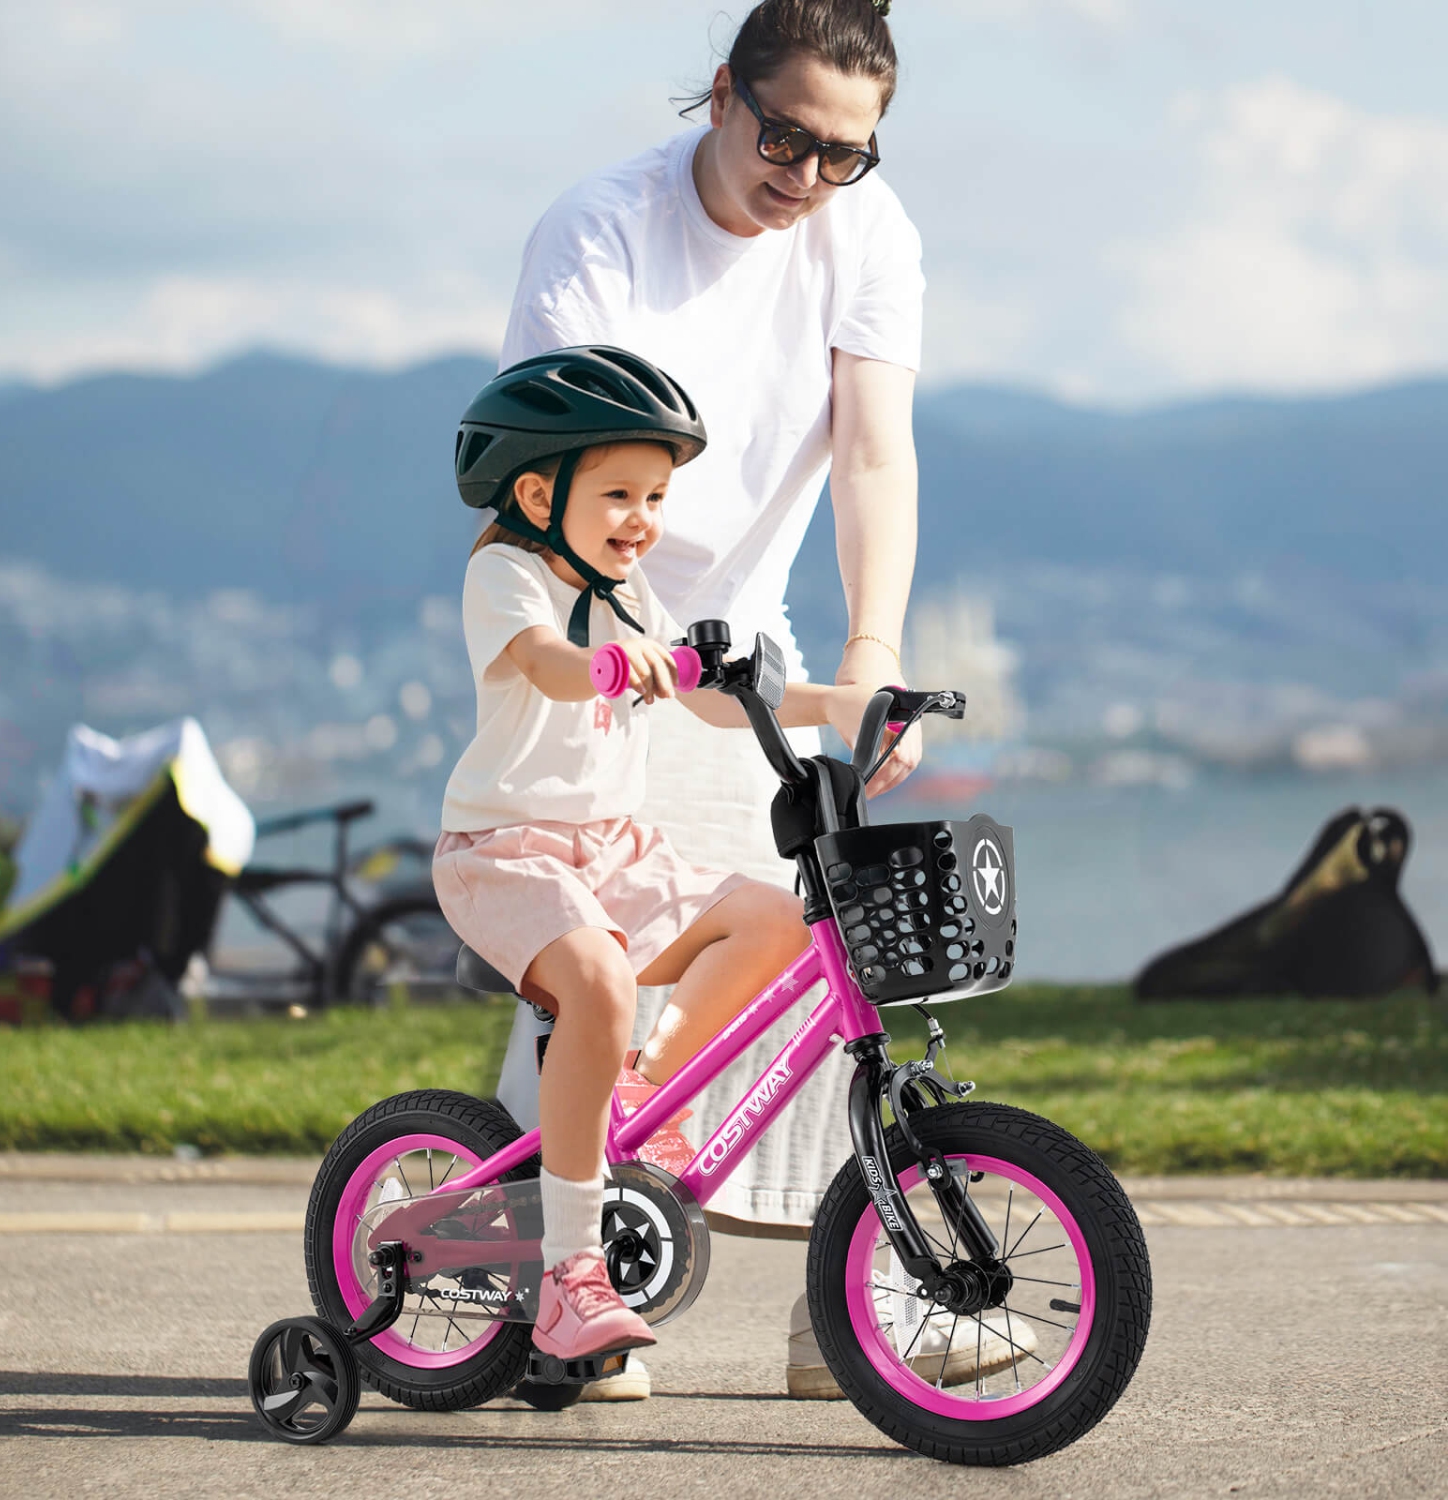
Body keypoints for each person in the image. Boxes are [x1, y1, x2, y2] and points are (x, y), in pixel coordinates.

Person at [491, 0, 924, 1398]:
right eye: (785, 133)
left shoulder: (871, 234)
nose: (807, 173)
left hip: (747, 640)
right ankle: (550, 1289)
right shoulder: (600, 229)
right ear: (724, 95)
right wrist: (626, 663)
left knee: (816, 944)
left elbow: (871, 456)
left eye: (842, 152)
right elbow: (548, 472)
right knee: (603, 956)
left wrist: (869, 660)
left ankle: (831, 1326)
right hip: (607, 624)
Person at [435, 345, 878, 1367]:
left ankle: (638, 1088)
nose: (644, 518)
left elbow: (714, 697)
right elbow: (546, 667)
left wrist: (841, 704)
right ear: (539, 491)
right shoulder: (504, 573)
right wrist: (602, 663)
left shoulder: (631, 594)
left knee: (774, 917)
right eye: (622, 492)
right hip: (504, 853)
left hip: (611, 851)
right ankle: (568, 1281)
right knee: (593, 974)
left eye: (658, 496)